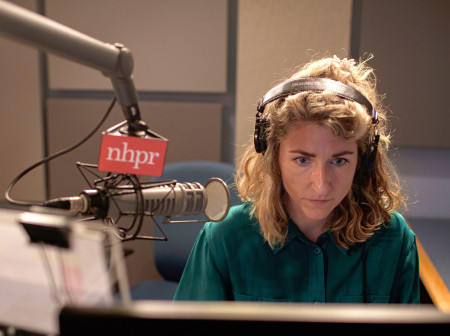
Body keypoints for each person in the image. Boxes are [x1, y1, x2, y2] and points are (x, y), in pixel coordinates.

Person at [173, 55, 419, 303]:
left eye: (339, 161)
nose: (321, 185)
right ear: (273, 157)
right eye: (303, 160)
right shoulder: (224, 238)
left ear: (363, 162)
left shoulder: (393, 239)